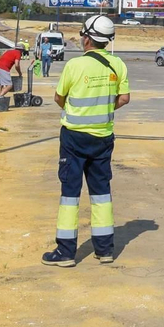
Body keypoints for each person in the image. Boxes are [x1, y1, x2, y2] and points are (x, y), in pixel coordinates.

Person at [43, 14, 129, 267]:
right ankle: (105, 250)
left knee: (70, 194)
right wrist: (103, 110)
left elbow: (59, 97)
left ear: (88, 39)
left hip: (74, 137)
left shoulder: (75, 65)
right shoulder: (118, 65)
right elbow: (124, 98)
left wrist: (78, 111)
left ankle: (66, 252)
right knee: (101, 192)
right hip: (103, 137)